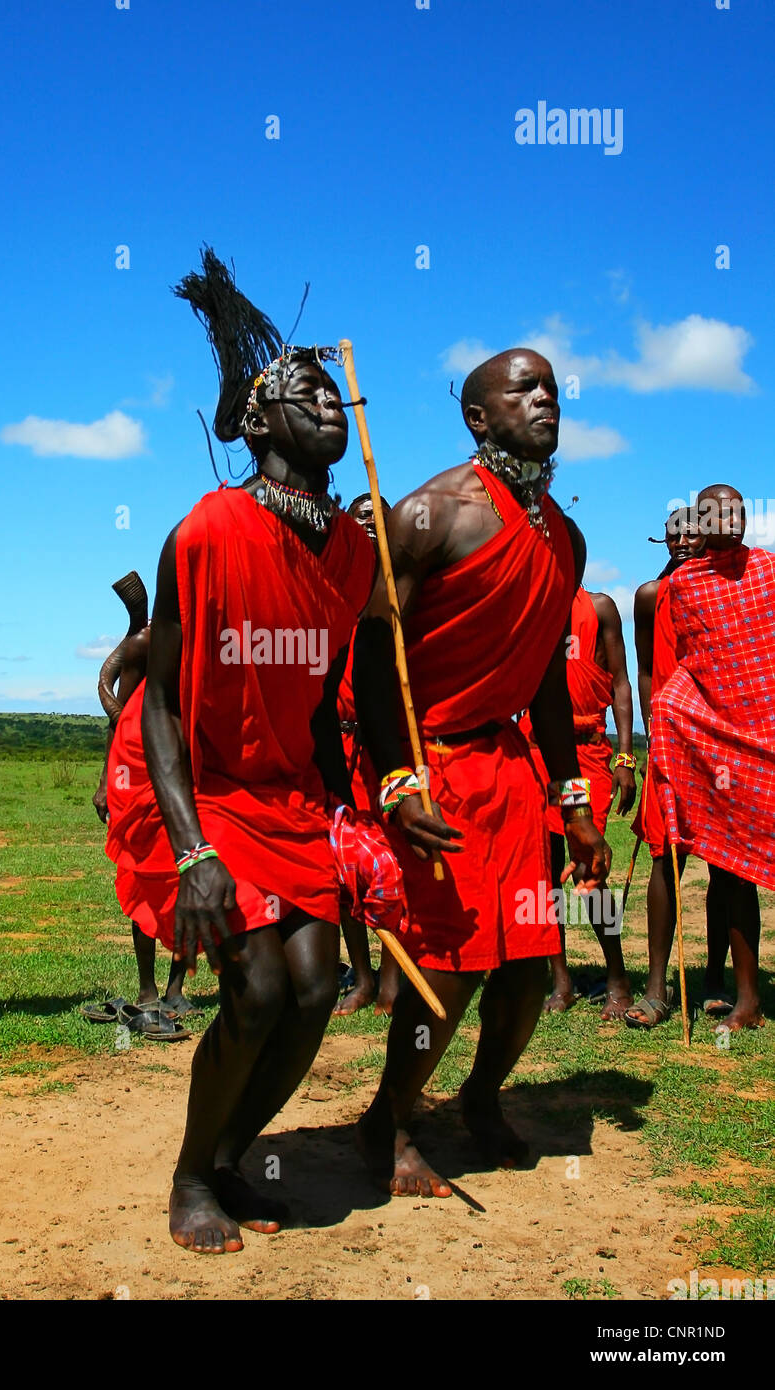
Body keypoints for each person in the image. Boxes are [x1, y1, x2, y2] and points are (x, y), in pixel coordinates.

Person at [105, 249, 376, 1252]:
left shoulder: (352, 551)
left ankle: (231, 1151)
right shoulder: (207, 531)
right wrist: (192, 850)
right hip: (206, 795)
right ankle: (189, 1175)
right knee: (255, 989)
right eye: (307, 392)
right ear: (258, 422)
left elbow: (330, 707)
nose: (331, 403)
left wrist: (364, 813)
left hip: (295, 802)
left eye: (339, 393)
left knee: (314, 992)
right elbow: (164, 706)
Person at [353, 348, 611, 1196]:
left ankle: (482, 1097)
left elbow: (541, 673)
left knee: (532, 961)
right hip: (431, 764)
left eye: (553, 390)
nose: (546, 400)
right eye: (524, 388)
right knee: (448, 966)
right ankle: (391, 1122)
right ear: (477, 416)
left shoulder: (562, 535)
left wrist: (572, 798)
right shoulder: (432, 512)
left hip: (508, 769)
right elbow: (372, 648)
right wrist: (398, 780)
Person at [652, 484, 769, 1033]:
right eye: (719, 510)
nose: (732, 518)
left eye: (739, 510)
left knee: (743, 872)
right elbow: (681, 672)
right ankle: (743, 999)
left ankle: (742, 993)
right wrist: (669, 724)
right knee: (733, 871)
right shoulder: (682, 588)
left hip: (766, 740)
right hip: (714, 748)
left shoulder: (769, 572)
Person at [520, 586, 637, 1017]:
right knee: (543, 870)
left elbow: (621, 682)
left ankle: (618, 977)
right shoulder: (530, 605)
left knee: (588, 870)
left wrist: (625, 754)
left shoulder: (601, 608)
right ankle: (561, 980)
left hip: (587, 754)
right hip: (536, 753)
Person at [91, 572, 192, 1027]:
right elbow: (112, 699)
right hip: (136, 774)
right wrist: (103, 779)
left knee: (185, 875)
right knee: (142, 876)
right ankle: (149, 989)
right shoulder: (142, 643)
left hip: (184, 769)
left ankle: (176, 989)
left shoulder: (200, 644)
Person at [625, 508, 712, 1028]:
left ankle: (723, 985)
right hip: (670, 736)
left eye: (692, 531)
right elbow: (645, 666)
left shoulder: (730, 591)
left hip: (721, 738)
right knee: (666, 854)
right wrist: (655, 723)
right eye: (674, 533)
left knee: (729, 867)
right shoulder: (649, 597)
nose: (682, 540)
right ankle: (656, 989)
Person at [333, 493, 402, 1017]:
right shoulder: (334, 589)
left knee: (393, 864)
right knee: (341, 862)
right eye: (360, 519)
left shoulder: (404, 591)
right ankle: (360, 974)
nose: (369, 528)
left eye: (378, 519)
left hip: (390, 747)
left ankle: (394, 974)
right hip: (338, 745)